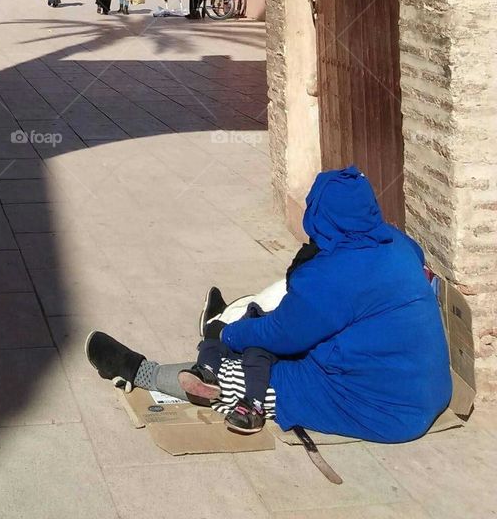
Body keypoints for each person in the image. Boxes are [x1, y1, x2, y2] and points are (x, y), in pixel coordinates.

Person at [85, 166, 452, 443]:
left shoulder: (333, 273)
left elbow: (283, 336)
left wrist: (230, 334)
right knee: (268, 329)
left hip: (380, 406)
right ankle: (220, 326)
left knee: (239, 375)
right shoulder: (400, 244)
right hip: (428, 389)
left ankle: (140, 370)